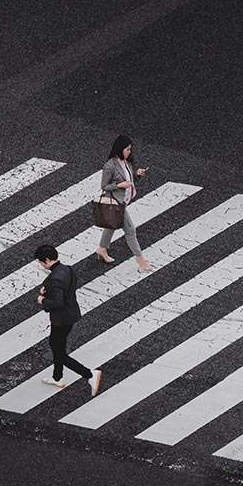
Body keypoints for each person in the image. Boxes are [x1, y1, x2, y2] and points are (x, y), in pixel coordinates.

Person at [35, 244, 101, 396]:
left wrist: (42, 300)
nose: (40, 265)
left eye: (40, 262)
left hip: (61, 318)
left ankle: (90, 374)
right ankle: (57, 377)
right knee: (58, 346)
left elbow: (58, 302)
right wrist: (47, 289)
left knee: (58, 351)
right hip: (71, 313)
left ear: (46, 260)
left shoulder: (56, 279)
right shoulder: (67, 269)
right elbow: (67, 286)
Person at [96, 134, 151, 271]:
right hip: (116, 203)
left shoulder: (127, 162)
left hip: (123, 201)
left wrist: (137, 175)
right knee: (130, 231)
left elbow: (129, 181)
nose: (129, 152)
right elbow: (104, 186)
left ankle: (102, 249)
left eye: (130, 149)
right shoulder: (109, 166)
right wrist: (118, 186)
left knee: (112, 225)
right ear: (119, 149)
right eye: (127, 149)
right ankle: (140, 260)